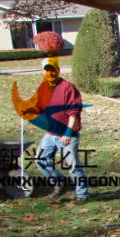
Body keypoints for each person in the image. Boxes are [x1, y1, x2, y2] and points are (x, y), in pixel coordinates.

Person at [28, 57, 89, 203]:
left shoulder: (68, 88)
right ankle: (60, 183)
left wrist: (68, 133)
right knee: (41, 160)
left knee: (73, 165)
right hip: (51, 133)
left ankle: (82, 195)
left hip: (67, 133)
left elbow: (73, 112)